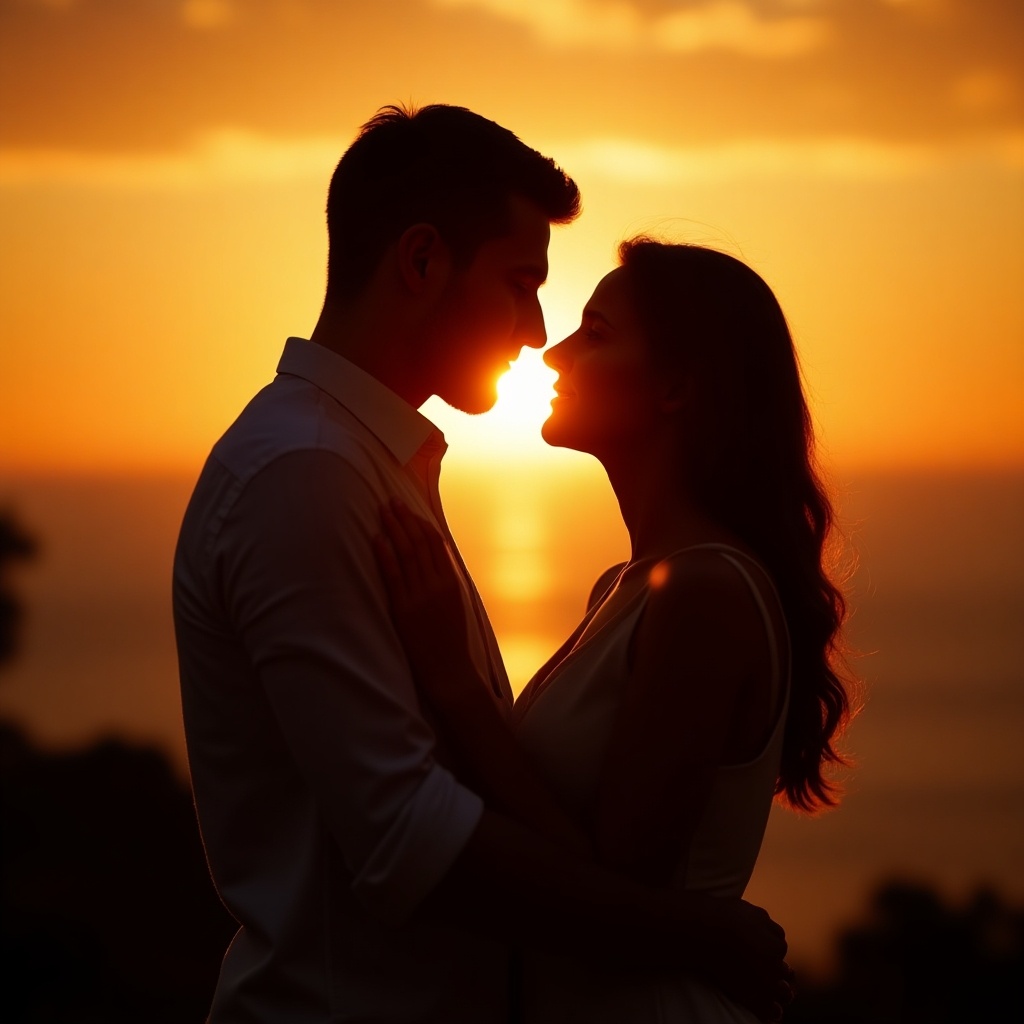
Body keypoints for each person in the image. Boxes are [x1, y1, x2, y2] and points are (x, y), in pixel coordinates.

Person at [173, 104, 791, 1023]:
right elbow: (405, 834)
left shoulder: (370, 467)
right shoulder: (308, 473)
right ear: (422, 261)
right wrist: (697, 933)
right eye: (520, 282)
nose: (538, 331)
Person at [376, 239, 854, 1021]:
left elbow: (619, 884)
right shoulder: (631, 585)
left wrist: (455, 684)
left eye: (595, 334)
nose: (553, 354)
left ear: (673, 388)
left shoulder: (706, 591)